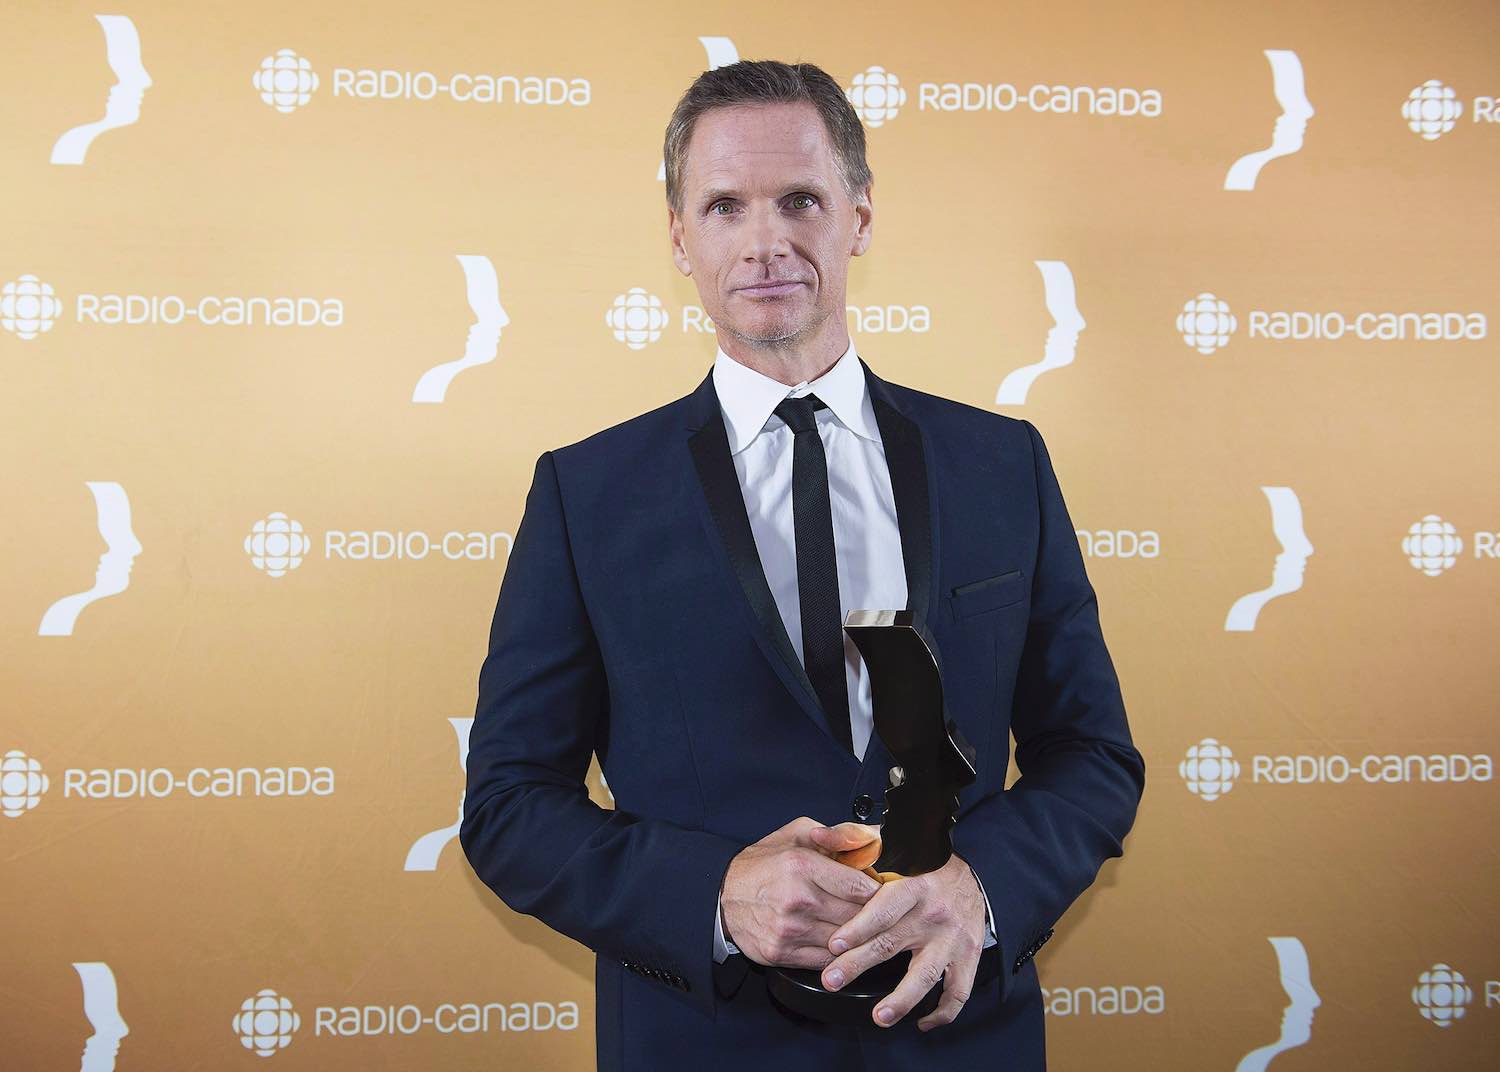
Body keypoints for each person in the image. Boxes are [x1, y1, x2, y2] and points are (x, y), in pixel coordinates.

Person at [460, 59, 1145, 1071]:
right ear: (679, 237)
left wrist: (979, 890)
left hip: (959, 1039)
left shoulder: (1002, 465)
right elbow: (510, 804)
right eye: (726, 206)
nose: (766, 241)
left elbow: (1093, 755)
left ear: (859, 217)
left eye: (801, 201)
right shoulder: (587, 492)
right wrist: (716, 896)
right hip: (703, 1042)